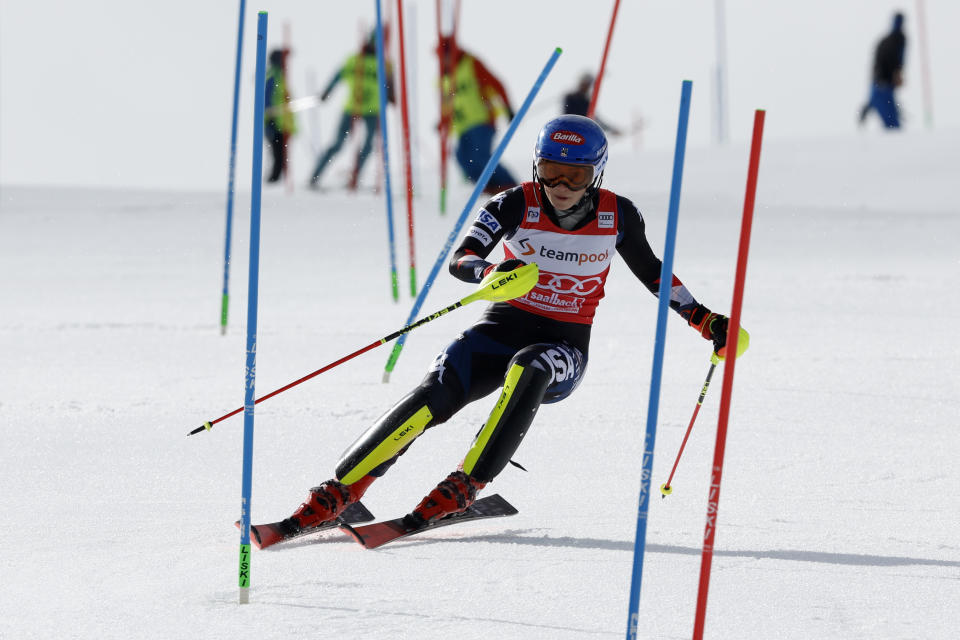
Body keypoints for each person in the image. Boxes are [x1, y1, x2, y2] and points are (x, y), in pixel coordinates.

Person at [271, 115, 748, 534]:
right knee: (440, 385)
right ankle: (340, 491)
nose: (560, 185)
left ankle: (464, 485)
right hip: (500, 329)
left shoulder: (618, 214)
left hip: (564, 349)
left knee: (532, 365)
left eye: (575, 174)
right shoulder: (514, 204)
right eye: (550, 171)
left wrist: (704, 320)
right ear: (536, 165)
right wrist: (490, 272)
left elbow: (652, 271)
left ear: (596, 173)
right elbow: (463, 258)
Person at [309, 38, 394, 190]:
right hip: (355, 108)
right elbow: (338, 76)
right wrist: (326, 92)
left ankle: (353, 177)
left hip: (370, 110)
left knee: (364, 145)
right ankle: (316, 176)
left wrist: (326, 93)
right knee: (340, 144)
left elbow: (390, 84)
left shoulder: (381, 63)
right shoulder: (359, 61)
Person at [439, 37, 518, 195]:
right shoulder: (444, 76)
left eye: (447, 55)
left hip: (481, 121)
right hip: (462, 126)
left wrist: (507, 107)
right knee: (463, 158)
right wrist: (443, 122)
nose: (445, 59)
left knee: (480, 157)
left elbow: (496, 83)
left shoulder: (471, 63)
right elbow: (448, 104)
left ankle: (509, 185)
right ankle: (487, 186)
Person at [859, 12, 907, 129]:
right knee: (892, 124)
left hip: (880, 81)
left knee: (890, 118)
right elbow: (895, 60)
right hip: (883, 82)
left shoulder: (886, 40)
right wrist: (897, 73)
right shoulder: (898, 39)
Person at [264, 49, 297, 183]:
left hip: (281, 121)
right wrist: (270, 112)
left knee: (281, 155)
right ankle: (274, 182)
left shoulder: (278, 75)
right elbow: (267, 96)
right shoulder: (274, 75)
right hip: (275, 121)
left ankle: (275, 180)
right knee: (279, 155)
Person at [562, 72, 623, 136]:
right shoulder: (571, 98)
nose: (586, 87)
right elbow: (566, 117)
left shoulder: (587, 102)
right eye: (584, 84)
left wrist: (611, 130)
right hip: (569, 132)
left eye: (588, 85)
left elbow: (595, 120)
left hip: (581, 134)